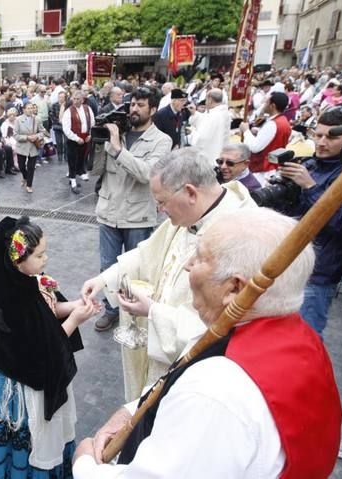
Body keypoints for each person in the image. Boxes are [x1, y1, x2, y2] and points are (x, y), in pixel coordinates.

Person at [72, 208, 342, 478]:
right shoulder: (299, 340)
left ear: (235, 288)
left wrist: (84, 464)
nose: (188, 265)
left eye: (200, 258)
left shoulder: (214, 391)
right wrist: (130, 413)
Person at [83, 147, 255, 401]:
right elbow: (147, 254)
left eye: (162, 202)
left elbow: (220, 327)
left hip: (192, 379)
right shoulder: (194, 214)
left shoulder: (239, 236)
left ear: (190, 193)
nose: (160, 210)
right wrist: (103, 279)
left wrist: (152, 311)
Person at [0, 216, 100, 478]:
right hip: (25, 388)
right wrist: (75, 321)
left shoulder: (30, 281)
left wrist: (75, 305)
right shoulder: (12, 301)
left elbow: (50, 310)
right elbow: (42, 348)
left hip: (40, 376)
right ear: (18, 260)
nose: (46, 260)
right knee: (29, 443)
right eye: (40, 255)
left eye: (46, 252)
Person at [89, 87, 172, 332]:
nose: (134, 109)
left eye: (141, 105)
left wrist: (117, 149)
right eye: (132, 104)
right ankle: (112, 309)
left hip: (137, 217)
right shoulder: (118, 133)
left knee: (136, 269)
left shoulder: (162, 140)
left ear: (153, 110)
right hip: (108, 212)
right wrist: (97, 142)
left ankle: (134, 311)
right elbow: (95, 171)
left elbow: (147, 174)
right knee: (107, 267)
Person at [275, 106, 342, 336]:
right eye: (318, 135)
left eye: (332, 137)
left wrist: (310, 187)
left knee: (303, 339)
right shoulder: (308, 165)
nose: (321, 142)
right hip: (288, 263)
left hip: (318, 274)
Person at [240, 91, 292, 177]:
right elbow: (274, 137)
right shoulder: (283, 121)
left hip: (263, 169)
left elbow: (255, 147)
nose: (264, 104)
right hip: (273, 166)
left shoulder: (273, 124)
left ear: (272, 106)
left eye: (266, 102)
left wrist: (246, 131)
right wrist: (258, 132)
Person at [61, 90, 94, 194]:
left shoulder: (88, 109)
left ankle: (80, 172)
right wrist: (76, 138)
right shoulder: (68, 111)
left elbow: (92, 122)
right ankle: (72, 179)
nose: (75, 101)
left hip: (85, 137)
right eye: (74, 99)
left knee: (82, 157)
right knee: (72, 160)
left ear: (82, 100)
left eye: (78, 99)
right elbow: (66, 128)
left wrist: (90, 134)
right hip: (73, 139)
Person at [187, 89, 231, 161]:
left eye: (206, 99)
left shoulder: (213, 115)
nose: (205, 102)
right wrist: (195, 113)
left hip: (209, 157)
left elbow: (201, 138)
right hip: (219, 154)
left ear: (210, 99)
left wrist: (192, 135)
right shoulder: (223, 112)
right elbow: (204, 119)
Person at [14, 102, 47, 193]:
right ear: (24, 109)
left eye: (32, 108)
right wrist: (27, 137)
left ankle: (29, 185)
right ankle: (25, 177)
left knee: (31, 167)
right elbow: (15, 135)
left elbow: (42, 131)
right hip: (22, 146)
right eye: (28, 108)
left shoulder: (37, 119)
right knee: (21, 166)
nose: (30, 110)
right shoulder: (18, 120)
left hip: (33, 146)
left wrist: (37, 136)